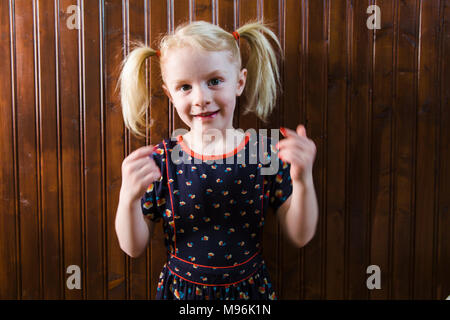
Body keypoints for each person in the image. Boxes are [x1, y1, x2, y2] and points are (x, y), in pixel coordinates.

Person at [115, 20, 319, 300]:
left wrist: (303, 179)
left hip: (250, 295)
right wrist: (128, 198)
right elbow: (133, 247)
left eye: (214, 81)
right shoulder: (161, 160)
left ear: (239, 81)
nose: (201, 98)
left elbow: (300, 236)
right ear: (169, 94)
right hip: (182, 296)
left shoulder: (266, 153)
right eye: (185, 87)